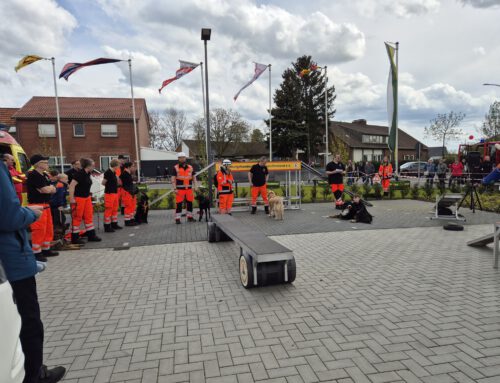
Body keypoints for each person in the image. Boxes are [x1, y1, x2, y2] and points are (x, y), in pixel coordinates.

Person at [0, 161, 66, 383]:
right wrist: (29, 213)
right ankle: (34, 374)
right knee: (28, 321)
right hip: (11, 259)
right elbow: (9, 216)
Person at [26, 154, 58, 262]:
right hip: (37, 205)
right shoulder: (33, 175)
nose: (47, 164)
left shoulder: (44, 175)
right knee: (39, 229)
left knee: (48, 228)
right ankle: (36, 252)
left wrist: (50, 188)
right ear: (38, 164)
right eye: (45, 162)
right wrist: (50, 188)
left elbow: (52, 189)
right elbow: (44, 190)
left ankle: (46, 249)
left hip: (46, 204)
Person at [69, 158, 101, 244]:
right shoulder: (79, 174)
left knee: (89, 216)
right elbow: (72, 186)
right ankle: (75, 238)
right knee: (77, 217)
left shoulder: (88, 173)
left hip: (86, 198)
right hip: (79, 198)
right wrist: (71, 198)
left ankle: (91, 235)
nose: (94, 167)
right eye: (93, 165)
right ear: (88, 166)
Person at [172, 152, 197, 224]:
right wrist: (174, 189)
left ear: (185, 158)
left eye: (183, 157)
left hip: (189, 189)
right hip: (179, 189)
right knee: (179, 204)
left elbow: (194, 178)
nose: (182, 159)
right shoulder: (175, 167)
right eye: (180, 157)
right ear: (178, 159)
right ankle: (177, 219)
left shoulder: (190, 167)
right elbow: (173, 179)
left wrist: (195, 186)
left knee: (190, 203)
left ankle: (190, 217)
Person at [102, 159, 122, 232]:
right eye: (119, 164)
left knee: (114, 209)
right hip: (109, 193)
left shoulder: (113, 172)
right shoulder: (108, 172)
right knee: (109, 209)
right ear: (116, 165)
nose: (120, 166)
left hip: (114, 193)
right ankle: (107, 226)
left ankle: (114, 224)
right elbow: (103, 182)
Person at [120, 162, 138, 226]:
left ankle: (131, 219)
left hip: (130, 192)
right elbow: (124, 184)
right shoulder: (124, 174)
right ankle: (127, 221)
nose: (134, 168)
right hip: (126, 192)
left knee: (132, 206)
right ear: (128, 167)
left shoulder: (128, 173)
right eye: (133, 166)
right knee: (128, 207)